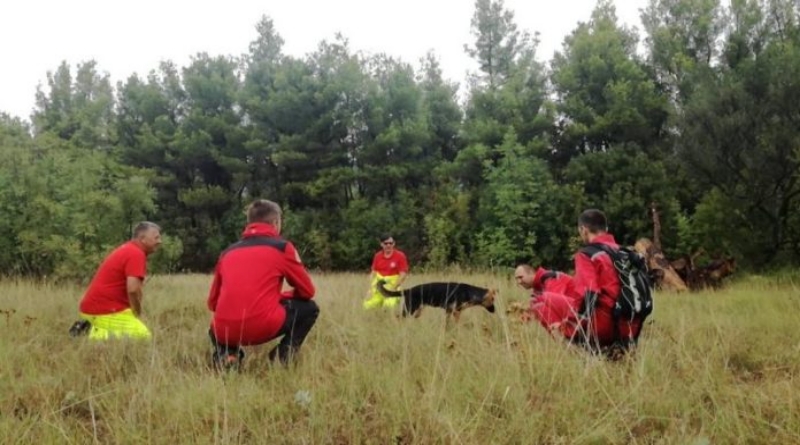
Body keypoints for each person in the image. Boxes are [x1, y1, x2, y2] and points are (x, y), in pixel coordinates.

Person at [207, 199, 318, 370]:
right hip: (261, 325)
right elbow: (307, 291)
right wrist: (280, 297)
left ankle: (228, 356)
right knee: (310, 308)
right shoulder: (282, 248)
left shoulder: (227, 252)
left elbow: (213, 303)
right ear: (276, 222)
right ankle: (283, 356)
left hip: (224, 330)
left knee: (216, 327)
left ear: (249, 222)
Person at [75, 221, 162, 340]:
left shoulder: (129, 249)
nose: (159, 241)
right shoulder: (136, 253)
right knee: (143, 337)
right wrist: (137, 313)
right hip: (103, 310)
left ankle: (94, 328)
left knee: (130, 325)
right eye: (156, 237)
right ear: (142, 238)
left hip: (94, 308)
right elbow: (132, 289)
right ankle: (91, 334)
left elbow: (135, 289)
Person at [573, 208, 642, 350]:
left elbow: (588, 293)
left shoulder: (587, 254)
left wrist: (573, 319)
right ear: (606, 229)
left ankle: (582, 355)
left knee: (548, 303)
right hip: (634, 326)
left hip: (605, 327)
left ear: (583, 229)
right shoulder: (625, 253)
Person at [513, 264, 581, 338]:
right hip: (575, 317)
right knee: (537, 306)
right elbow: (529, 314)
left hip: (583, 316)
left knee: (540, 307)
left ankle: (565, 341)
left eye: (520, 277)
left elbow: (555, 304)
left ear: (531, 273)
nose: (519, 282)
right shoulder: (537, 290)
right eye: (516, 279)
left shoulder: (550, 277)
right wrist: (516, 321)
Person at [363, 234, 409, 310]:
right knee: (367, 306)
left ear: (394, 244)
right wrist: (370, 289)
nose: (388, 245)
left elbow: (403, 275)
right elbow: (373, 273)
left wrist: (393, 288)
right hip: (378, 288)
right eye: (386, 243)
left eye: (391, 243)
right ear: (381, 244)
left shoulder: (400, 256)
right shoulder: (377, 256)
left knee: (387, 307)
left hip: (392, 288)